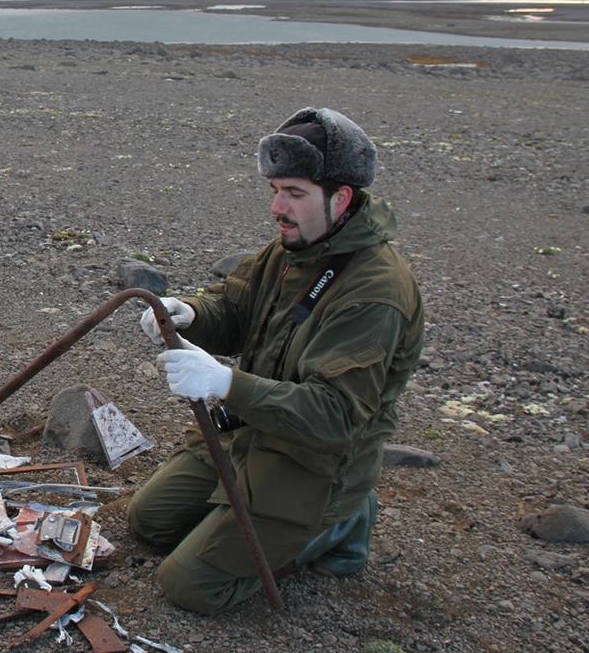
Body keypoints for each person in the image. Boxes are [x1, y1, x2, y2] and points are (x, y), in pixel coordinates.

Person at [129, 107, 423, 614]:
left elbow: (335, 417)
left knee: (192, 585)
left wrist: (226, 384)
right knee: (149, 523)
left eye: (295, 193)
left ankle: (343, 519)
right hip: (255, 433)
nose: (277, 208)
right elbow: (236, 309)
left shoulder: (375, 292)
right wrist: (191, 314)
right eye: (275, 191)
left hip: (315, 460)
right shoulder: (297, 247)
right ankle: (254, 518)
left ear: (342, 198)